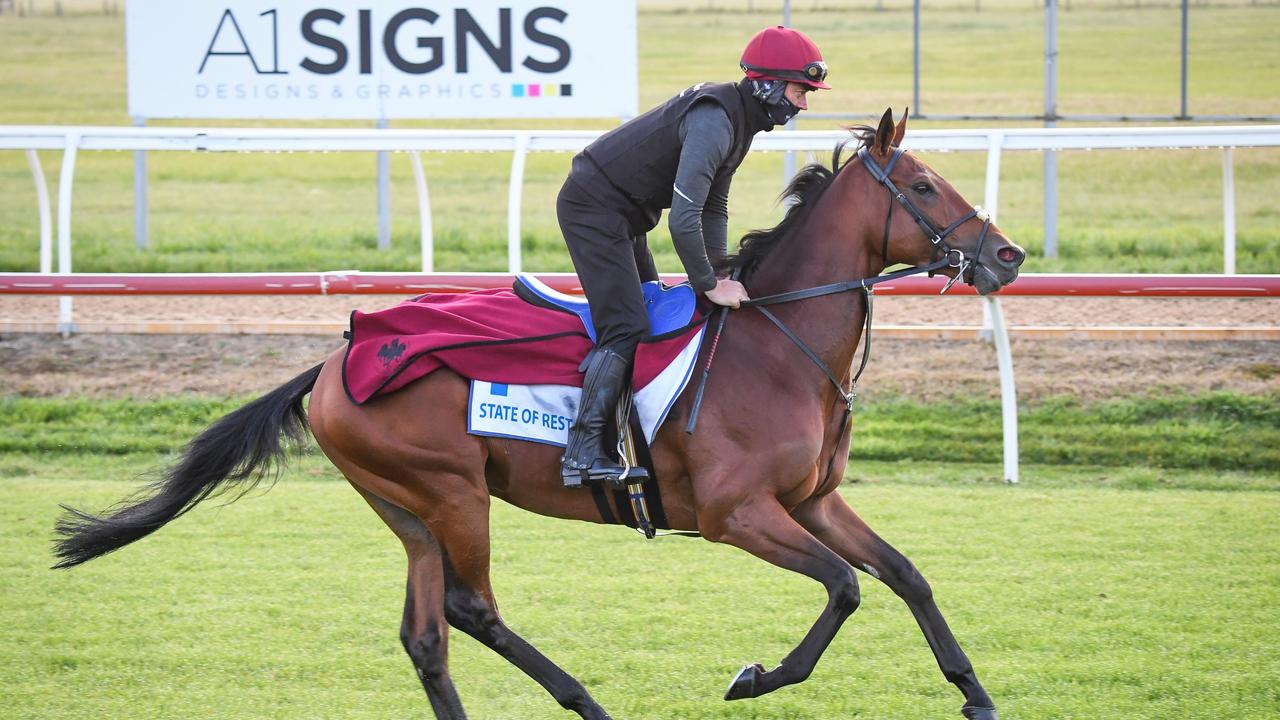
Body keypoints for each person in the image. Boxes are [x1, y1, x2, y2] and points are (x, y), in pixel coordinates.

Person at [557, 25, 830, 488]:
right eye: (800, 90)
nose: (803, 103)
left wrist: (722, 274)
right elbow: (683, 218)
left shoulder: (740, 120)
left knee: (649, 314)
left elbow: (713, 208)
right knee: (626, 325)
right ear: (767, 82)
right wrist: (707, 284)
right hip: (593, 209)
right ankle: (582, 454)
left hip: (622, 214)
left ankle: (629, 435)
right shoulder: (715, 121)